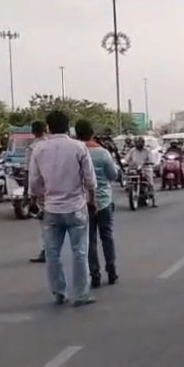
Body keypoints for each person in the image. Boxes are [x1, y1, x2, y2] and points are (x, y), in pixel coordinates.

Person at [28, 110, 98, 307]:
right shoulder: (78, 147)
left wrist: (37, 200)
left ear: (48, 127)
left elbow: (34, 182)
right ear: (68, 127)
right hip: (76, 207)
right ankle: (81, 294)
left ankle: (59, 291)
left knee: (52, 253)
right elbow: (90, 179)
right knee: (80, 252)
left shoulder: (39, 149)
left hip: (52, 209)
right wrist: (92, 201)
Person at [75, 120, 119, 288]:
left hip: (83, 202)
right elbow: (113, 175)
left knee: (90, 239)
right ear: (92, 133)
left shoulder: (76, 152)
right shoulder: (103, 153)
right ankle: (112, 270)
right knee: (106, 236)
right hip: (104, 200)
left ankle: (95, 274)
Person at [26, 121, 48, 263]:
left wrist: (29, 195)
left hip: (41, 190)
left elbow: (29, 172)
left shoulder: (33, 148)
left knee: (45, 223)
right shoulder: (52, 145)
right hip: (58, 189)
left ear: (33, 132)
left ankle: (48, 250)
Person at [124, 136, 157, 207]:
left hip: (145, 168)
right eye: (137, 143)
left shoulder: (147, 151)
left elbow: (151, 159)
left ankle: (153, 199)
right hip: (134, 168)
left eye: (140, 143)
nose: (138, 144)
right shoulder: (132, 150)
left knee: (150, 183)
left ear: (143, 143)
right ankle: (128, 188)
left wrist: (150, 162)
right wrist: (124, 162)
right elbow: (127, 158)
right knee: (127, 177)